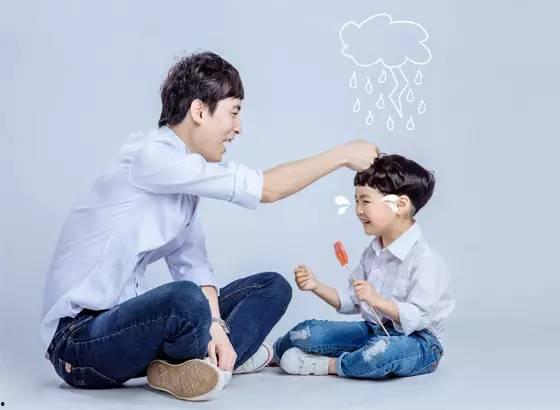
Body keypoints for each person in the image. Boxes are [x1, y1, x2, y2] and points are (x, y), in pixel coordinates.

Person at [41, 51, 379, 401]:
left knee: (271, 287)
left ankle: (202, 364)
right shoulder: (151, 155)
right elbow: (267, 189)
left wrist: (215, 326)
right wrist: (342, 155)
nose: (239, 128)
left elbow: (194, 266)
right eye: (234, 112)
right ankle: (214, 360)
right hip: (78, 342)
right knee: (185, 299)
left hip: (129, 332)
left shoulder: (184, 187)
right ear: (199, 111)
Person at [274, 154, 455, 379]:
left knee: (381, 353)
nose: (358, 210)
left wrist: (377, 300)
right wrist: (316, 286)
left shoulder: (425, 260)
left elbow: (419, 317)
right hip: (374, 330)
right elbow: (352, 300)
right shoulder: (373, 252)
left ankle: (329, 365)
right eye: (356, 200)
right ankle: (270, 355)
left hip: (419, 342)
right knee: (308, 332)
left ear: (400, 205)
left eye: (366, 201)